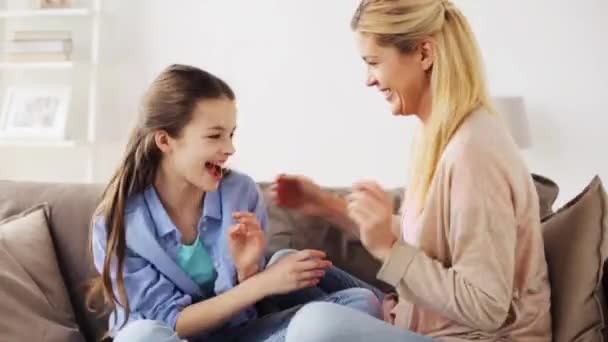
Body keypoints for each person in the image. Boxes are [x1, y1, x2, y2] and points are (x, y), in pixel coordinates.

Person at [276, 0, 552, 341]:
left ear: (424, 54)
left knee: (315, 325)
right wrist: (324, 205)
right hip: (417, 320)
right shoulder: (436, 132)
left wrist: (389, 249)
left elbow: (486, 307)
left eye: (374, 62)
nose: (368, 80)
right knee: (287, 266)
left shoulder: (474, 152)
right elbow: (430, 241)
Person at [86, 64, 382, 342]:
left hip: (241, 335)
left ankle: (389, 308)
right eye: (215, 136)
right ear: (165, 141)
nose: (229, 149)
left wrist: (249, 270)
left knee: (358, 303)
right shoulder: (119, 222)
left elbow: (245, 314)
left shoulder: (240, 192)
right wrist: (263, 283)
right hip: (166, 337)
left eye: (231, 134)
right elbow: (169, 321)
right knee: (143, 337)